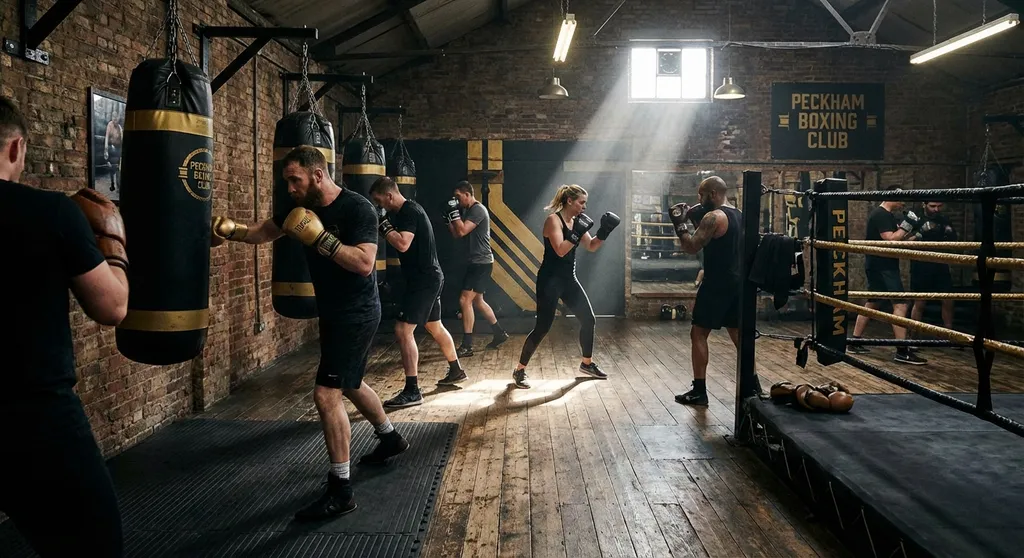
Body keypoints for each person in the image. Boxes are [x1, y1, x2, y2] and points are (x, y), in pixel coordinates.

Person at [211, 146, 409, 521]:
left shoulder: (357, 209)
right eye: (287, 180)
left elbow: (366, 263)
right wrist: (230, 230)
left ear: (318, 175)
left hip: (358, 312)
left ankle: (341, 489)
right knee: (349, 383)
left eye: (295, 179)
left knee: (325, 394)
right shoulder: (298, 209)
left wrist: (321, 239)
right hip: (332, 311)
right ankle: (389, 438)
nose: (290, 188)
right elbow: (263, 232)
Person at [0, 96, 130, 556]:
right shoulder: (52, 213)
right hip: (34, 421)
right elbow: (112, 307)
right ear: (16, 149)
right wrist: (113, 243)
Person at [370, 176, 468, 406]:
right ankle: (456, 370)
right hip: (428, 278)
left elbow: (403, 243)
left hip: (424, 281)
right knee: (435, 325)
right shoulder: (404, 211)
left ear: (389, 195)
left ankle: (412, 390)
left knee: (403, 331)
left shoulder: (408, 212)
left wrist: (383, 225)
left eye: (379, 200)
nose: (379, 206)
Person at [510, 184, 620, 389]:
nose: (584, 207)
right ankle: (520, 369)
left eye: (585, 203)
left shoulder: (577, 222)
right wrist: (577, 233)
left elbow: (591, 246)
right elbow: (560, 250)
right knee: (543, 327)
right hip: (550, 280)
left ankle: (587, 364)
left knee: (589, 319)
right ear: (570, 201)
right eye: (581, 202)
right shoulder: (553, 220)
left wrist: (604, 232)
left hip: (569, 279)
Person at [670, 176, 745, 406]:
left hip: (716, 283)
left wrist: (680, 225)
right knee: (738, 335)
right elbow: (716, 241)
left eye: (701, 195)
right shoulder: (739, 214)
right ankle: (752, 386)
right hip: (737, 282)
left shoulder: (714, 216)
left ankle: (699, 391)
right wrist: (694, 219)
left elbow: (691, 247)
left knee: (698, 333)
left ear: (713, 194)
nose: (699, 200)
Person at [848, 186, 928, 365]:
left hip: (880, 264)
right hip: (883, 266)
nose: (903, 202)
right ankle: (902, 350)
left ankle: (854, 341)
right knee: (901, 305)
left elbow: (898, 240)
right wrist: (908, 224)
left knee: (872, 302)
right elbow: (890, 240)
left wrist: (917, 234)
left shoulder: (888, 216)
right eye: (900, 198)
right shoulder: (881, 215)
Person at [444, 180, 509, 357]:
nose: (457, 201)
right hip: (477, 262)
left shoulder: (478, 209)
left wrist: (455, 215)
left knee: (465, 301)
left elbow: (463, 230)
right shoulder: (467, 210)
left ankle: (467, 346)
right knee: (478, 301)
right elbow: (457, 234)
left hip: (481, 262)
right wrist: (449, 220)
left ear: (467, 194)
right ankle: (499, 333)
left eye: (458, 197)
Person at [910, 201, 958, 343]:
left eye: (939, 206)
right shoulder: (915, 219)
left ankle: (948, 336)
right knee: (920, 302)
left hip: (940, 265)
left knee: (948, 300)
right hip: (921, 265)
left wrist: (950, 233)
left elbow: (954, 242)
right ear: (924, 204)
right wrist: (920, 233)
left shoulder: (944, 220)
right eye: (933, 206)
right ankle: (913, 338)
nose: (936, 209)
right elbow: (904, 241)